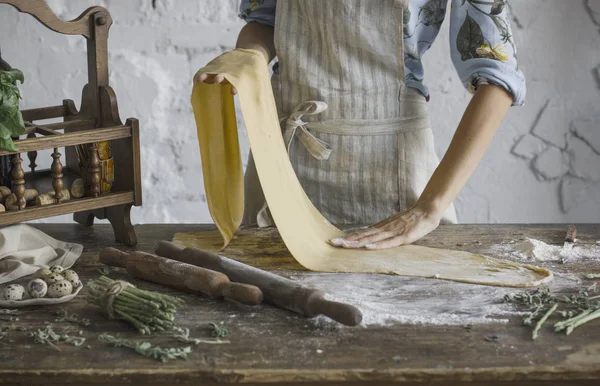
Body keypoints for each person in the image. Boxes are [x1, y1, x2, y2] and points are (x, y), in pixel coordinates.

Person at [196, 0, 525, 250]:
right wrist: (248, 59)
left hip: (396, 174)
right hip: (285, 163)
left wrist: (429, 208)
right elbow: (265, 21)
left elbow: (497, 78)